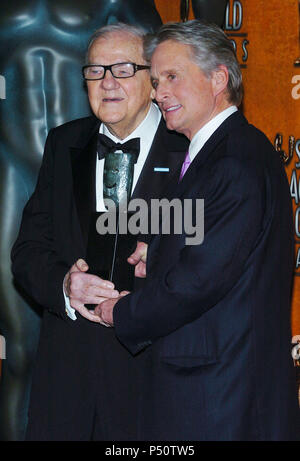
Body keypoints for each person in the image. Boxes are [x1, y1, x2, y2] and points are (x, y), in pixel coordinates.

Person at [96, 20, 300, 440]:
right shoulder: (218, 153)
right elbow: (219, 249)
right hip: (212, 390)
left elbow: (197, 282)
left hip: (219, 398)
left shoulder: (234, 161)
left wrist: (120, 311)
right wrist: (160, 250)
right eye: (154, 81)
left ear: (218, 78)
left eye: (172, 76)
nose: (158, 92)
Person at [11, 23, 188, 441]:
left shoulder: (190, 149)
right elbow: (28, 251)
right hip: (67, 383)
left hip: (153, 381)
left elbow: (210, 260)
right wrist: (65, 285)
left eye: (123, 68)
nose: (107, 82)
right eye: (95, 70)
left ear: (153, 78)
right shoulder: (63, 143)